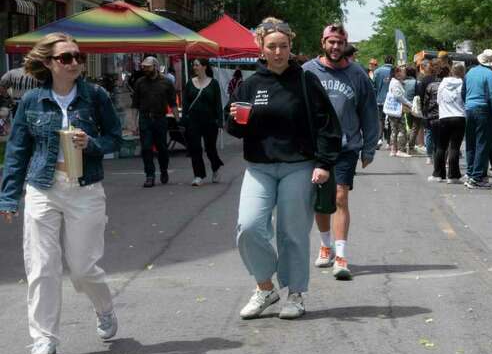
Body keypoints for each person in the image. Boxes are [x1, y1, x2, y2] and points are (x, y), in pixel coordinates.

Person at [0, 33, 123, 354]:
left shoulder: (95, 96)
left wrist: (92, 143)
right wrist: (9, 196)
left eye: (78, 56)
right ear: (49, 63)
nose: (74, 62)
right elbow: (17, 150)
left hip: (84, 188)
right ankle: (43, 340)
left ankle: (104, 308)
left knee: (83, 269)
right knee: (41, 267)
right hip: (43, 187)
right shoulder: (33, 100)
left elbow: (115, 137)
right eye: (66, 57)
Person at [227, 18, 342, 321]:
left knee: (292, 233)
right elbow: (236, 131)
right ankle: (265, 288)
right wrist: (234, 119)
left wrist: (325, 164)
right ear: (261, 49)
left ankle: (295, 293)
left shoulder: (306, 81)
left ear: (291, 47)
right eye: (272, 47)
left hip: (298, 166)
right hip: (259, 167)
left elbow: (328, 125)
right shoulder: (249, 85)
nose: (278, 52)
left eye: (284, 46)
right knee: (249, 227)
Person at [302, 23, 379, 281]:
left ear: (345, 44)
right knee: (321, 200)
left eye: (340, 42)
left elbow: (369, 112)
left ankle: (342, 255)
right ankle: (326, 246)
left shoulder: (357, 74)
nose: (335, 47)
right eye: (331, 42)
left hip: (346, 147)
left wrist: (369, 147)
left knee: (340, 198)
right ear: (323, 42)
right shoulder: (308, 71)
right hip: (315, 147)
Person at [132, 56, 176, 187]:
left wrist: (178, 119)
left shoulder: (166, 82)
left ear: (155, 67)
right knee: (146, 148)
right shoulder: (140, 82)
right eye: (144, 66)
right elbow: (135, 104)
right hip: (145, 119)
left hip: (160, 119)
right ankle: (149, 175)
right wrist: (133, 123)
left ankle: (163, 170)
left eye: (148, 66)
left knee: (162, 148)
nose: (145, 69)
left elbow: (173, 103)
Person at [181, 57, 225, 186]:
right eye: (193, 65)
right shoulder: (190, 83)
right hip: (193, 121)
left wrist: (220, 121)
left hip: (210, 121)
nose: (194, 67)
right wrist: (184, 119)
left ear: (204, 67)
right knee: (195, 148)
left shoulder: (214, 83)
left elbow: (218, 103)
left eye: (197, 65)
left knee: (210, 148)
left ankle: (216, 168)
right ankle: (198, 175)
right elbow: (185, 103)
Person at [463, 49, 492, 188]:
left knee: (471, 142)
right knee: (482, 143)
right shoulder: (490, 74)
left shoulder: (470, 72)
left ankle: (470, 171)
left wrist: (467, 104)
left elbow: (463, 91)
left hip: (470, 108)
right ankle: (477, 176)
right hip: (483, 109)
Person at [435, 62, 467, 183]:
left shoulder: (443, 84)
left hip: (444, 116)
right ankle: (453, 175)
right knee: (454, 147)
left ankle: (438, 174)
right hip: (459, 116)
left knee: (441, 146)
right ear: (463, 72)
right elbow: (465, 99)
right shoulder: (463, 84)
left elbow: (438, 100)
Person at [384, 66, 410, 157]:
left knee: (394, 130)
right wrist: (409, 104)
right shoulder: (395, 83)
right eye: (401, 72)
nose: (403, 74)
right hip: (397, 110)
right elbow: (398, 96)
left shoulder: (393, 82)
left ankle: (393, 149)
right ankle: (400, 149)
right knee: (401, 129)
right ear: (396, 73)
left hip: (392, 109)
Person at [373, 54, 394, 150]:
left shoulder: (377, 71)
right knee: (390, 120)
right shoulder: (395, 71)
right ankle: (389, 142)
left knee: (379, 120)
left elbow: (374, 86)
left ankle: (379, 139)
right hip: (392, 101)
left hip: (379, 99)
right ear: (392, 61)